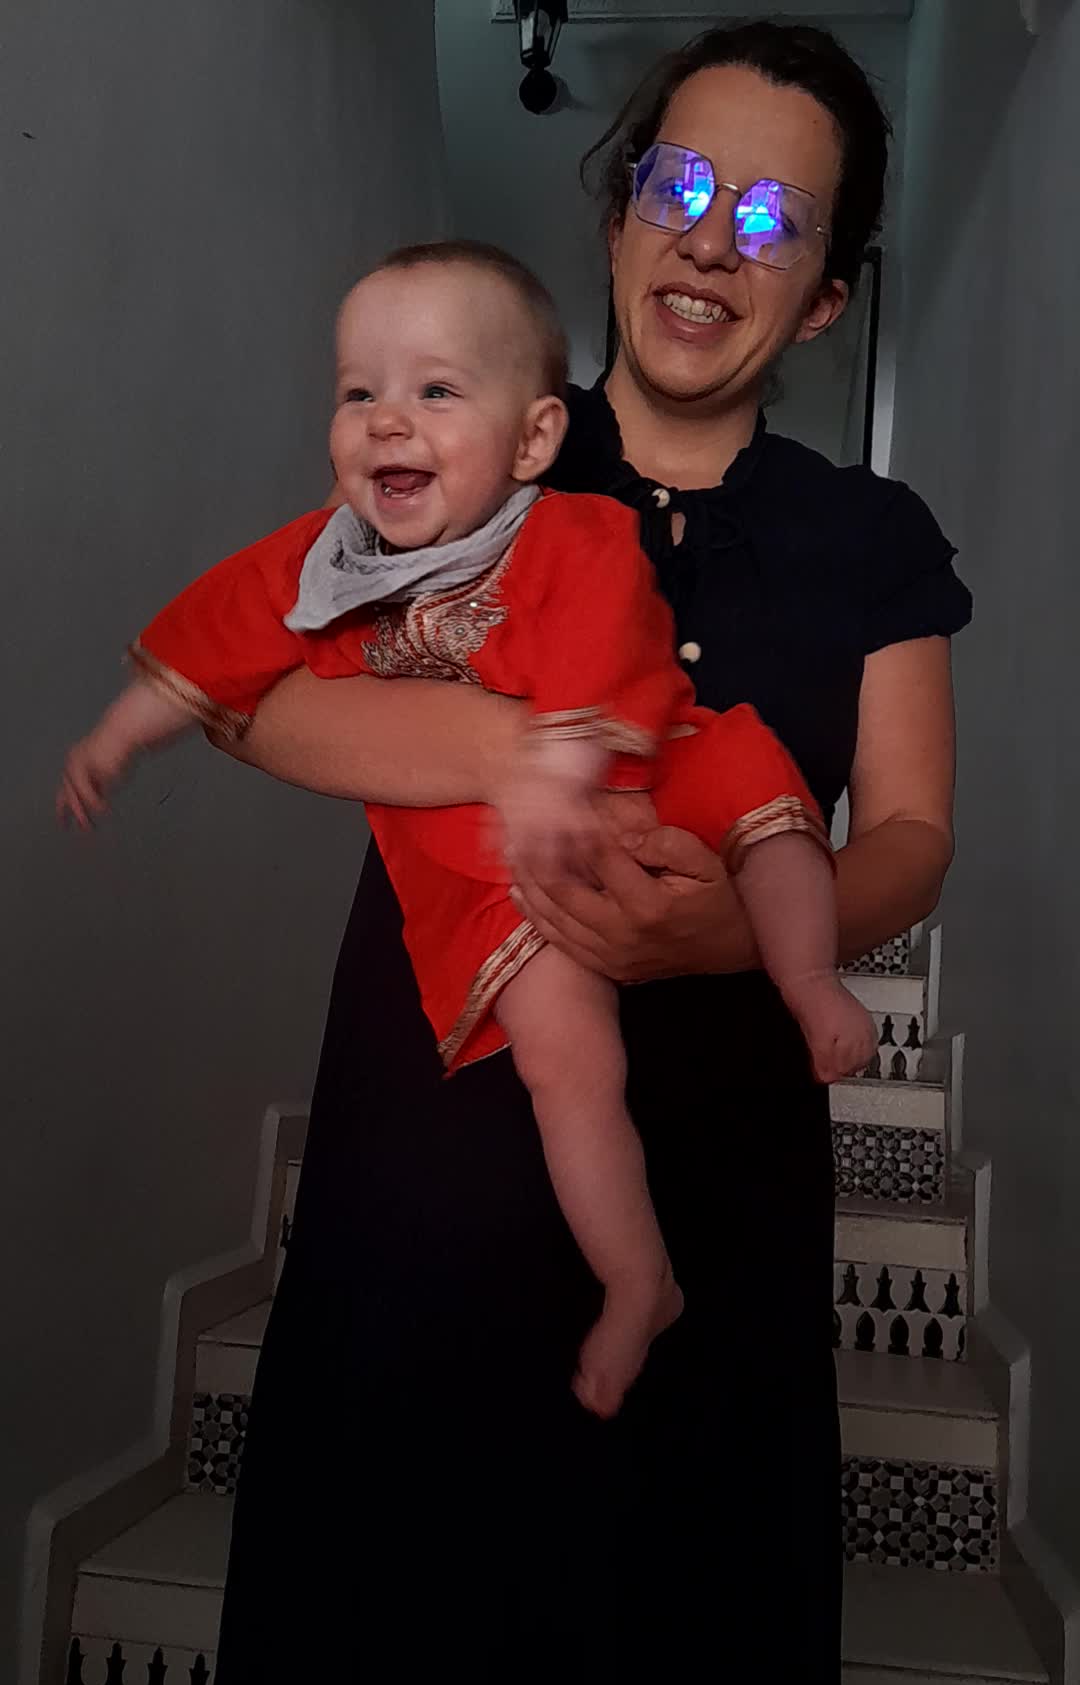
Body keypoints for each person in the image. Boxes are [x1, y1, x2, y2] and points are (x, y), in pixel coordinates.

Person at [173, 21, 970, 1685]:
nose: (709, 237)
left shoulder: (869, 538)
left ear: (826, 294)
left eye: (772, 218)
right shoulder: (478, 433)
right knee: (397, 1657)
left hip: (718, 1183)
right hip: (436, 1145)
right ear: (616, 217)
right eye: (679, 184)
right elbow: (253, 698)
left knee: (672, 1676)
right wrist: (505, 746)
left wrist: (736, 930)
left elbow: (911, 832)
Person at [60, 242, 874, 1419]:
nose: (388, 419)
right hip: (502, 866)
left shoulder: (570, 532)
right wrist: (123, 733)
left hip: (650, 761)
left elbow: (603, 634)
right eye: (360, 391)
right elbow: (217, 634)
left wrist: (558, 761)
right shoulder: (324, 563)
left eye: (435, 390)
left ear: (533, 440)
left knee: (766, 797)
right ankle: (636, 1279)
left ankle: (808, 979)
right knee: (569, 1064)